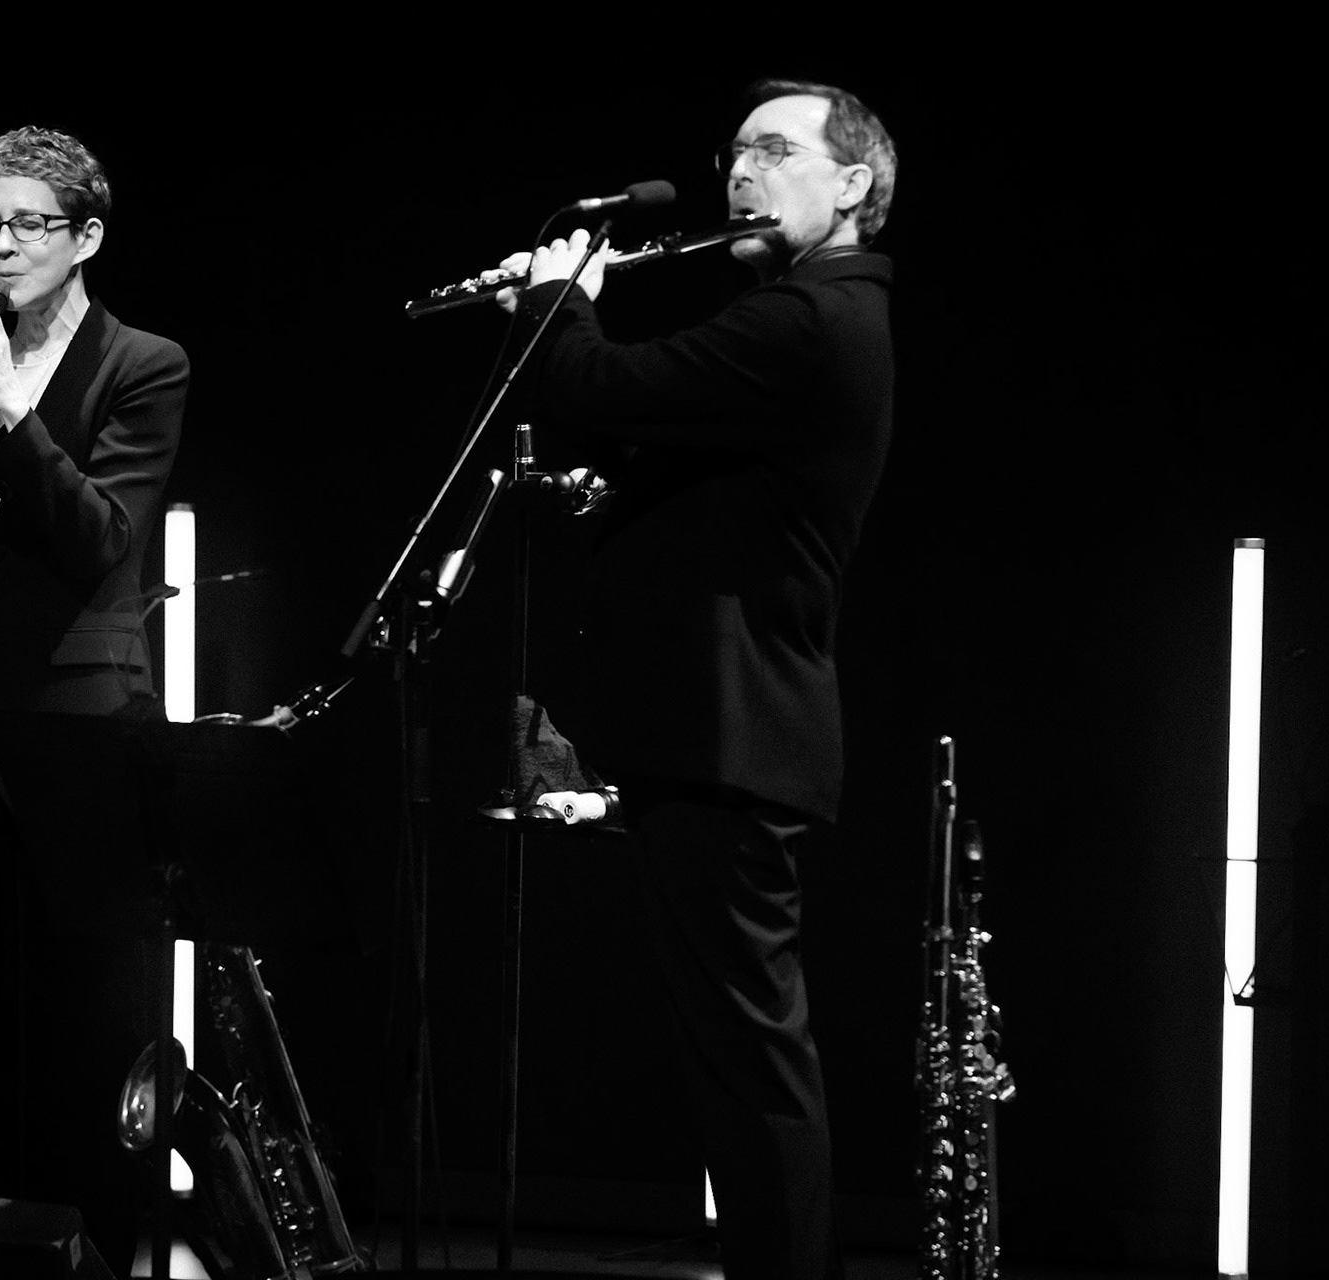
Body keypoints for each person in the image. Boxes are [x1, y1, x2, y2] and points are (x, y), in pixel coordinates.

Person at [498, 80, 896, 1279]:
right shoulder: (789, 316)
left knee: (752, 1065)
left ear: (854, 182)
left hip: (737, 734)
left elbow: (605, 386)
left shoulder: (814, 316)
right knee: (733, 1061)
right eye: (735, 152)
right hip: (714, 733)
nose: (740, 172)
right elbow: (663, 444)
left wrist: (561, 304)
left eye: (776, 151)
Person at [0, 124, 188, 1270]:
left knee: (87, 1020)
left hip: (80, 726)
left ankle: (103, 1248)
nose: (2, 245)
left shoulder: (145, 363)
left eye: (28, 223)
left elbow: (100, 538)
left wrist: (16, 410)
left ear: (87, 236)